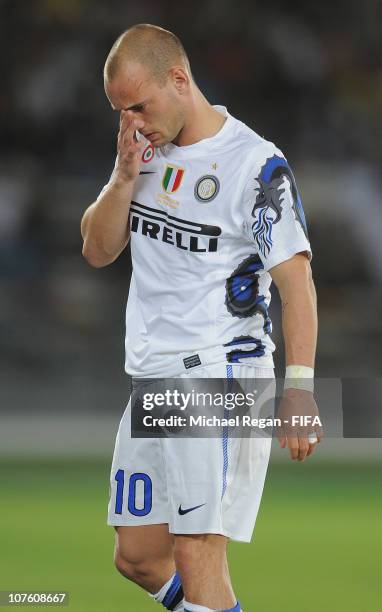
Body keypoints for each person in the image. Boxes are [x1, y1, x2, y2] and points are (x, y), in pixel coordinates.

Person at [81, 23, 320, 612]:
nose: (133, 121)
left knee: (197, 552)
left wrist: (300, 388)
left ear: (180, 80)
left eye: (139, 105)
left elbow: (298, 283)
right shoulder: (142, 155)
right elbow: (96, 249)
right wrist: (122, 176)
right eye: (121, 111)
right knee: (136, 556)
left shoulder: (254, 164)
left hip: (220, 373)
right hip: (154, 376)